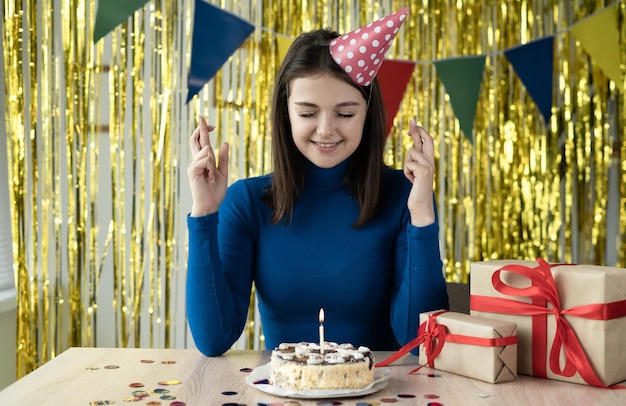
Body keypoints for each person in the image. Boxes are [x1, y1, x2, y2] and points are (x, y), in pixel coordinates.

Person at [185, 9, 449, 357]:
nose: (325, 129)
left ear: (368, 114)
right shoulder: (247, 202)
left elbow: (419, 343)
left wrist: (422, 217)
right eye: (308, 113)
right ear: (286, 112)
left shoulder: (404, 196)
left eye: (345, 113)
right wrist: (204, 214)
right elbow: (213, 339)